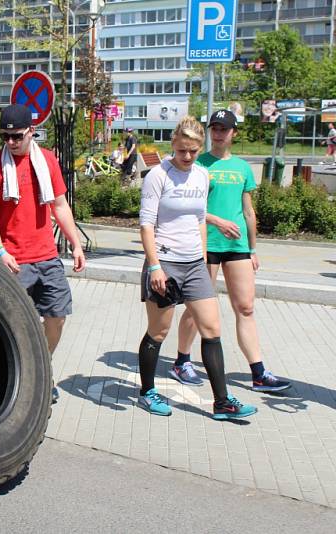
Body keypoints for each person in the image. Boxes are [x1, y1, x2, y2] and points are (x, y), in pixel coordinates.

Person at [137, 115, 256, 420]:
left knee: (212, 330)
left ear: (199, 147)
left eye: (192, 151)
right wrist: (155, 268)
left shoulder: (202, 175)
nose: (187, 157)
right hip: (165, 264)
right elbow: (146, 226)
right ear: (173, 145)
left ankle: (222, 402)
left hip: (193, 265)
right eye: (181, 151)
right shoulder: (158, 176)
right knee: (158, 331)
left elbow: (200, 220)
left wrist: (203, 260)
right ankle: (148, 392)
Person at [173, 110, 291, 393]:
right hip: (206, 244)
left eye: (224, 129)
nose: (218, 133)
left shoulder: (242, 168)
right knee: (196, 308)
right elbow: (190, 206)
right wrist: (217, 222)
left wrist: (252, 248)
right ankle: (182, 361)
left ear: (233, 133)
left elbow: (248, 211)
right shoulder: (198, 162)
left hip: (237, 245)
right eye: (214, 128)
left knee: (246, 307)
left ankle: (259, 372)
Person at [0, 104, 86, 402]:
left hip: (47, 256)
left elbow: (60, 206)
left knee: (57, 317)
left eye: (16, 136)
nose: (10, 142)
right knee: (11, 323)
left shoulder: (46, 160)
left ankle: (40, 365)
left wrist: (75, 243)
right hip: (13, 260)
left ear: (31, 132)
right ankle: (18, 376)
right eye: (5, 136)